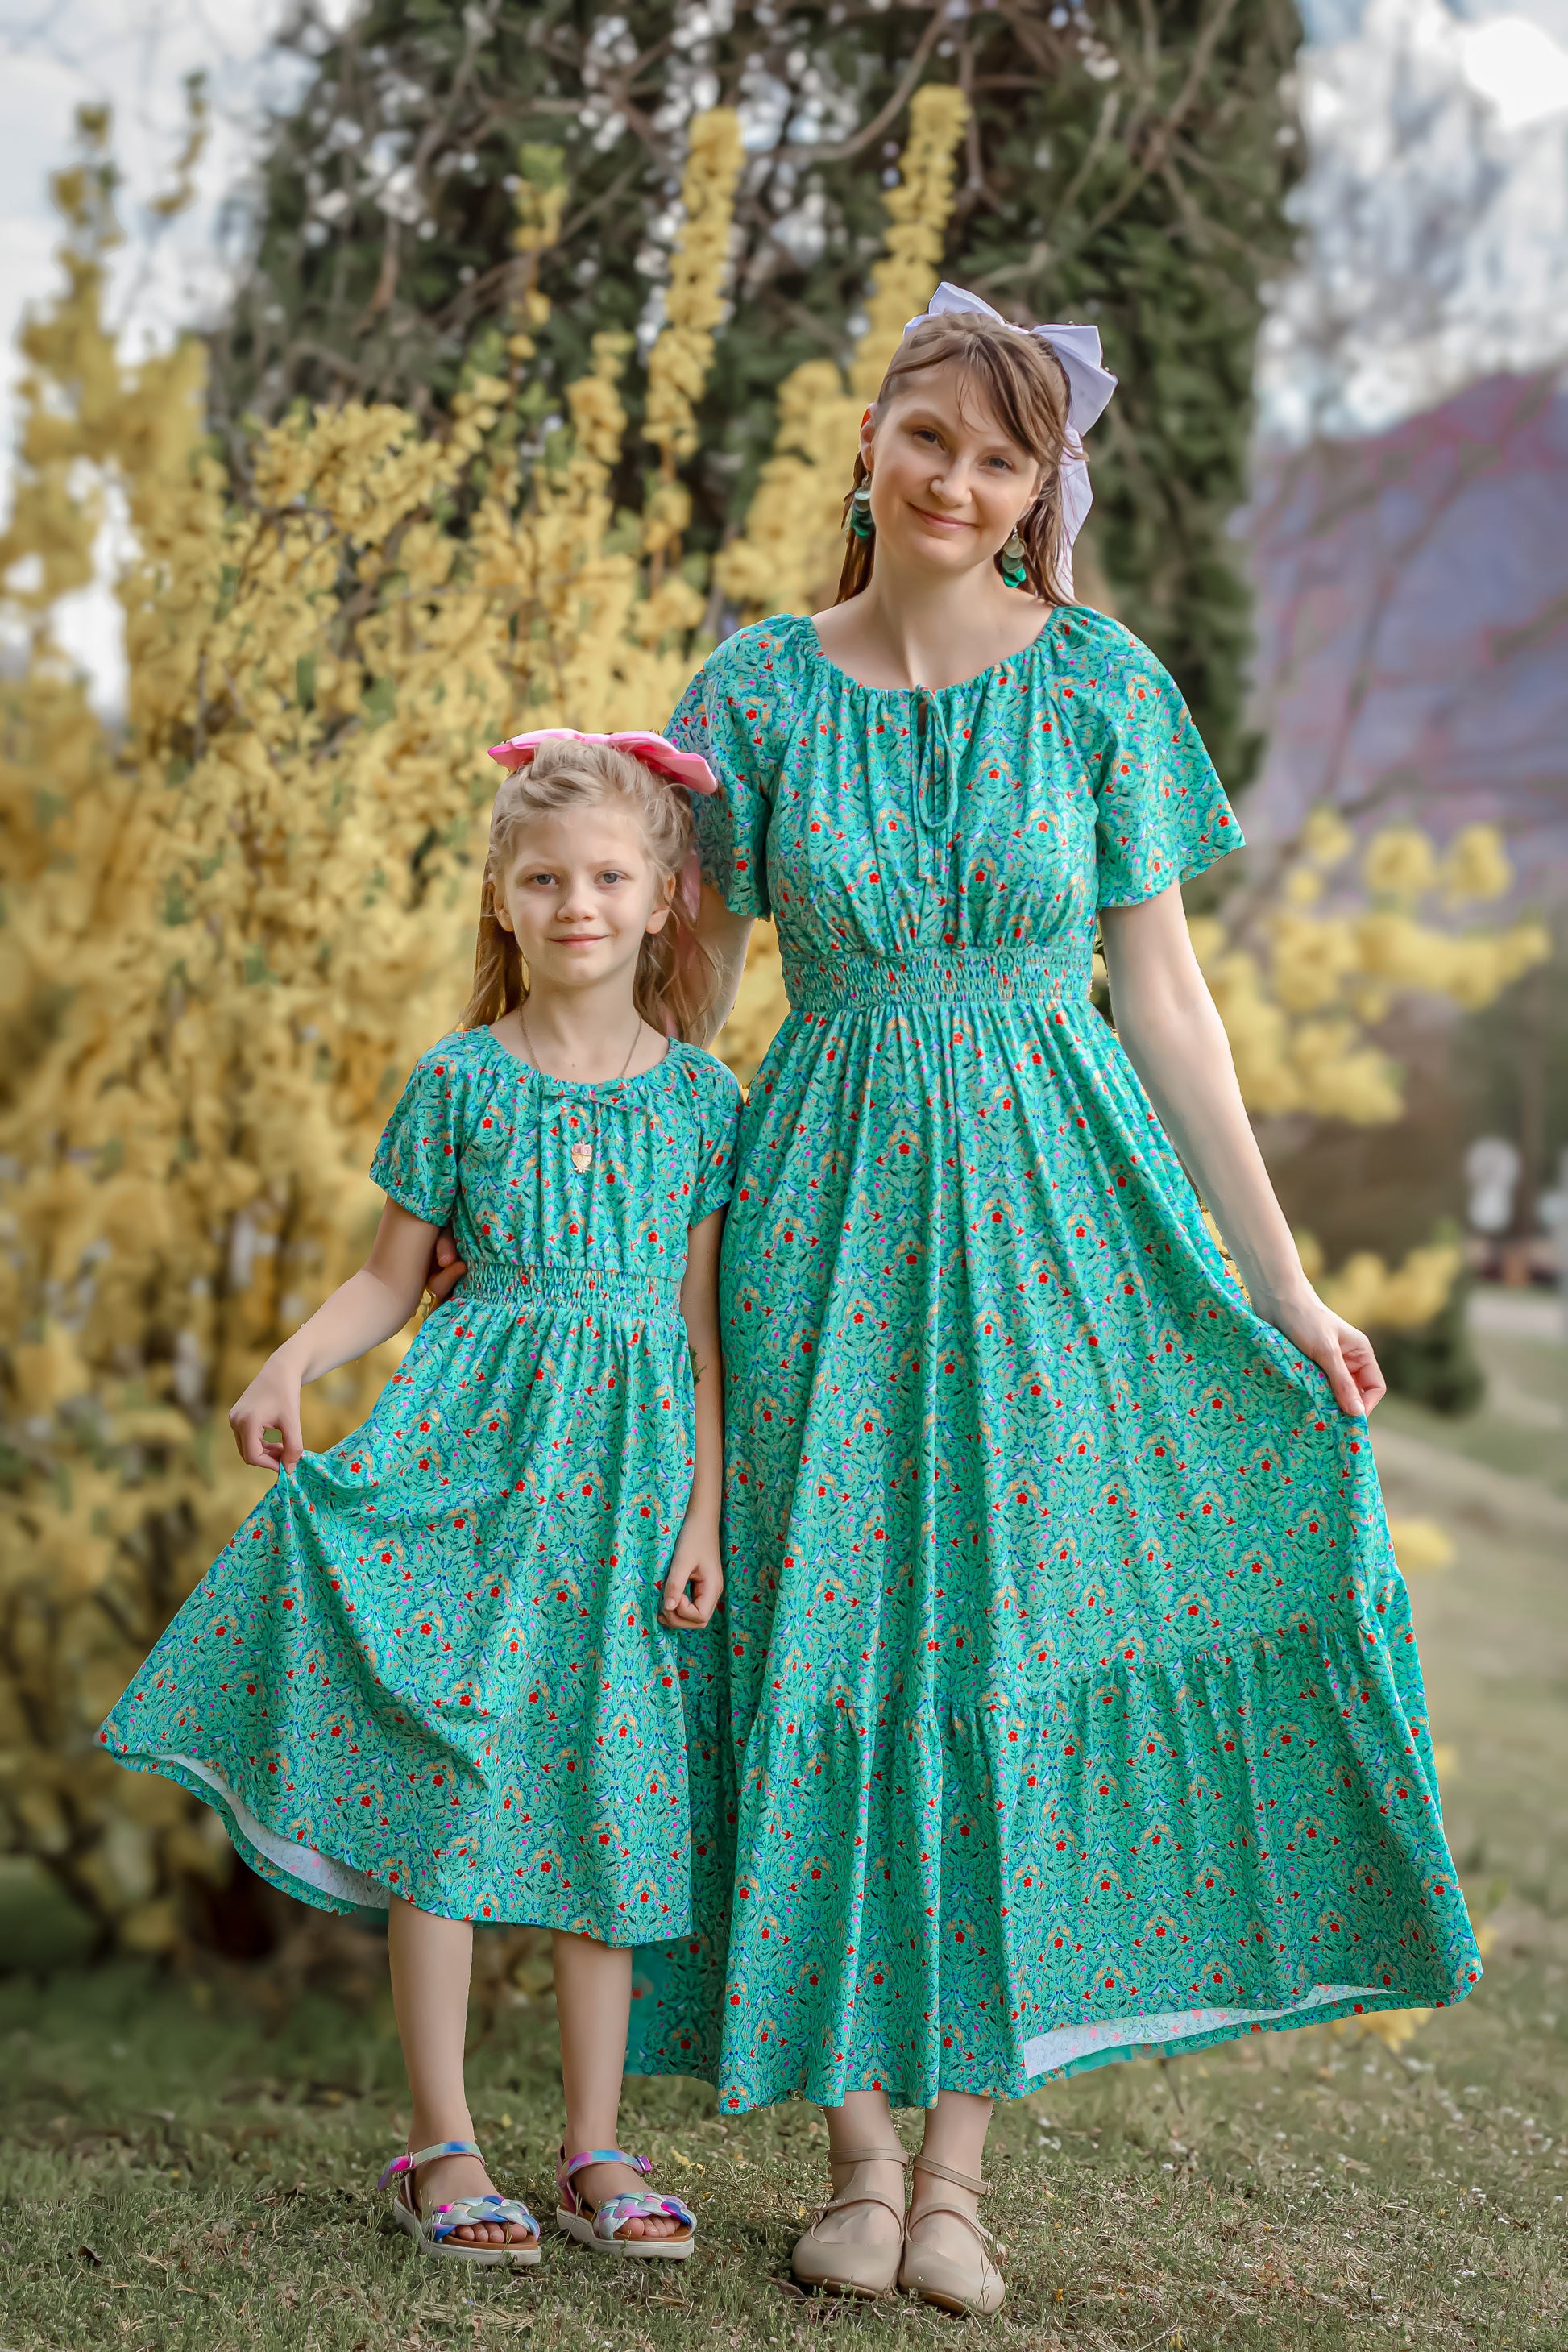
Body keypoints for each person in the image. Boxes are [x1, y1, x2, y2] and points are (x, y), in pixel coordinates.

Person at [666, 286, 1482, 2316]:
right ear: (869, 442)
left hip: (1058, 1222)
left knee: (1004, 1644)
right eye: (930, 436)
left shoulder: (1102, 686)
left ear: (1047, 490)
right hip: (821, 1218)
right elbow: (690, 1004)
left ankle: (957, 2171)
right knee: (819, 1635)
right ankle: (855, 2158)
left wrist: (1281, 1282)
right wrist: (574, 1193)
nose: (957, 480)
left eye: (1001, 456)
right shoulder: (752, 690)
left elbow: (1167, 1001)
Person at [98, 733, 740, 2266]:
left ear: (663, 898)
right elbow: (393, 1277)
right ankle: (442, 2145)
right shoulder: (461, 1081)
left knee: (608, 1793)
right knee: (446, 1785)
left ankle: (594, 2148)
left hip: (631, 1491)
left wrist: (706, 1515)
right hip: (467, 1473)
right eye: (545, 878)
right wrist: (290, 1362)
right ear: (501, 897)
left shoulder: (705, 1100)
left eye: (608, 877)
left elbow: (703, 1329)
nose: (576, 903)